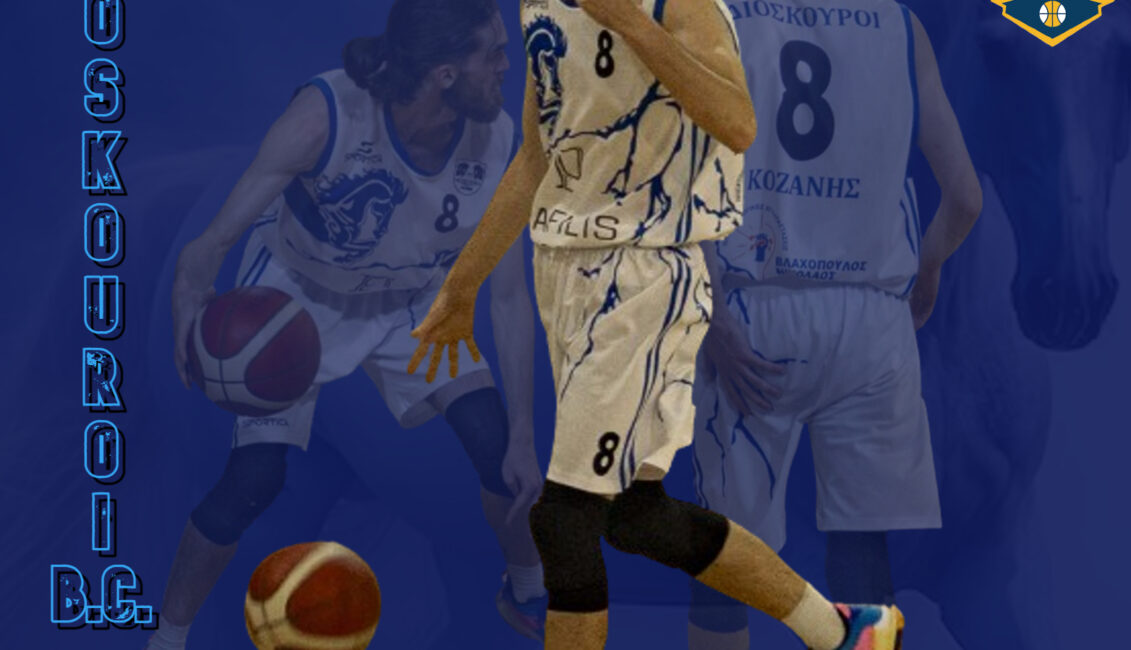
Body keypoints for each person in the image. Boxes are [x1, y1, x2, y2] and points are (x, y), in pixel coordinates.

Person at [408, 1, 904, 648]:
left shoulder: (679, 4)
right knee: (636, 516)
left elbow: (738, 123)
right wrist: (462, 286)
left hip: (643, 276)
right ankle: (841, 630)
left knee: (565, 519)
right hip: (565, 273)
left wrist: (635, 26)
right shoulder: (541, 7)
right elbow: (534, 157)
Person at [146, 1, 549, 647]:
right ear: (445, 73)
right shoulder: (326, 116)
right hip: (298, 297)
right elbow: (208, 245)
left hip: (408, 299)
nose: (509, 66)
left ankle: (528, 591)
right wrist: (190, 299)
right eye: (494, 53)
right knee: (253, 482)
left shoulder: (499, 142)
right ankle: (167, 636)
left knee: (499, 449)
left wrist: (524, 432)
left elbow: (507, 299)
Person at [687, 1, 983, 647]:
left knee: (728, 553)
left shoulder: (720, 16)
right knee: (862, 549)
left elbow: (682, 182)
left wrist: (716, 321)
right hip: (873, 318)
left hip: (755, 307)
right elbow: (965, 198)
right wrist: (927, 272)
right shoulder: (901, 27)